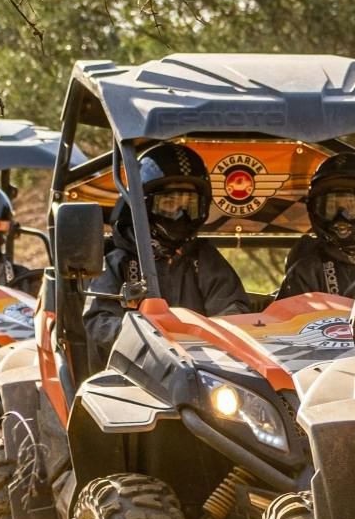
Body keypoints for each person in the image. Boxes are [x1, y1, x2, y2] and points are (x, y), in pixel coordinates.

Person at [84, 141, 250, 359]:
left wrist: (205, 338)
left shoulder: (203, 258)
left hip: (204, 366)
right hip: (136, 372)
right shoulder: (118, 261)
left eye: (188, 205)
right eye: (169, 203)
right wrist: (151, 338)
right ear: (145, 205)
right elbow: (99, 322)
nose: (180, 214)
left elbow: (233, 312)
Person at [275, 150, 355, 299]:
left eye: (352, 206)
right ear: (316, 209)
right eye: (331, 207)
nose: (341, 216)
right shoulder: (308, 269)